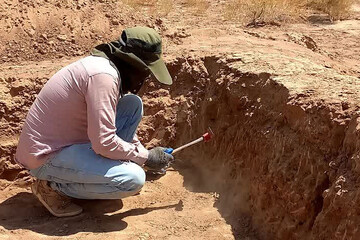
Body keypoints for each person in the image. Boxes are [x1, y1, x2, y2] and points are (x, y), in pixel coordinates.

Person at [15, 26, 174, 217]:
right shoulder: (103, 77)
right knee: (132, 180)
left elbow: (106, 133)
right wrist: (146, 157)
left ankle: (97, 172)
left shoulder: (104, 67)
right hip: (46, 156)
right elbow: (104, 142)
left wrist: (142, 155)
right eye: (146, 70)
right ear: (134, 64)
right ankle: (52, 186)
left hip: (70, 144)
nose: (146, 76)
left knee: (132, 104)